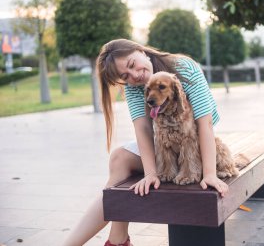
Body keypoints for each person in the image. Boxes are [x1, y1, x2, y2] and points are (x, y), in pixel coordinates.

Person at [62, 38, 229, 246]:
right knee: (118, 158)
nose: (135, 76)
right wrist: (151, 173)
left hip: (193, 143)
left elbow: (205, 125)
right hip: (162, 144)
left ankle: (117, 240)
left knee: (119, 160)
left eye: (132, 65)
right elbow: (142, 130)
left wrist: (210, 174)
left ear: (141, 50)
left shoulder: (184, 68)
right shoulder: (134, 88)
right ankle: (99, 241)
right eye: (125, 76)